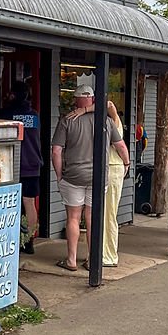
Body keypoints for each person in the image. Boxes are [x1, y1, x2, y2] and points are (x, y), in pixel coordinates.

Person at [51, 84, 130, 271]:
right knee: (93, 218)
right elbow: (120, 146)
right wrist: (126, 163)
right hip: (98, 178)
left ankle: (71, 260)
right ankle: (92, 258)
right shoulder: (106, 121)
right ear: (93, 100)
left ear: (76, 100)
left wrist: (59, 174)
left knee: (73, 218)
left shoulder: (67, 120)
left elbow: (56, 151)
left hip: (73, 177)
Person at [66, 99, 126, 266]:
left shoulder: (112, 121)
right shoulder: (101, 123)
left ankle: (107, 255)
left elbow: (109, 104)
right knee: (99, 215)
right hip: (104, 170)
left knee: (106, 215)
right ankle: (96, 254)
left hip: (111, 168)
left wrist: (84, 110)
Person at [1, 79, 43, 255]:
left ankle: (10, 240)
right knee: (30, 203)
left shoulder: (7, 115)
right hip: (32, 164)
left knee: (9, 203)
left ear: (12, 95)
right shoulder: (34, 115)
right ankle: (29, 241)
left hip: (12, 166)